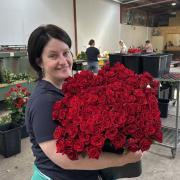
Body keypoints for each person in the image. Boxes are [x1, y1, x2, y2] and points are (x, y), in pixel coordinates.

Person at [25, 24, 143, 180]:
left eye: (66, 52)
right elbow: (65, 159)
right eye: (53, 56)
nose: (64, 61)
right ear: (40, 61)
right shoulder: (44, 102)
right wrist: (122, 160)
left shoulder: (64, 89)